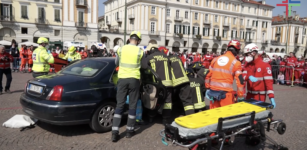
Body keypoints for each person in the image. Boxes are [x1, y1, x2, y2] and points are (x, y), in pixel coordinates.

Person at [111, 31, 144, 142]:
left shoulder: (121, 49)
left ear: (129, 38)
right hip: (134, 79)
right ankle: (130, 131)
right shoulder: (140, 51)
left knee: (119, 105)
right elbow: (143, 66)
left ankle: (115, 133)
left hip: (122, 79)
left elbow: (116, 63)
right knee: (132, 105)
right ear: (138, 41)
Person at [205, 40, 244, 109]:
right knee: (226, 117)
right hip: (226, 94)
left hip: (213, 93)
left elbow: (208, 75)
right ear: (237, 50)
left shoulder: (215, 59)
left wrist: (207, 87)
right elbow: (240, 80)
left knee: (213, 116)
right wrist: (240, 95)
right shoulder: (236, 62)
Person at [141, 44, 173, 124]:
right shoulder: (165, 56)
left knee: (154, 99)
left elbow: (144, 67)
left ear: (151, 50)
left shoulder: (149, 57)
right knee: (168, 101)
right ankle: (165, 118)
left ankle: (151, 117)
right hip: (168, 83)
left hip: (156, 83)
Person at [242, 43, 276, 108]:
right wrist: (248, 76)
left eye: (247, 54)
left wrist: (271, 97)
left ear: (253, 53)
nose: (246, 56)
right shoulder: (248, 65)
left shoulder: (265, 65)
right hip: (249, 95)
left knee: (258, 116)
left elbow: (268, 83)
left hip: (260, 96)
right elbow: (242, 75)